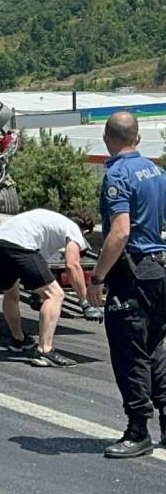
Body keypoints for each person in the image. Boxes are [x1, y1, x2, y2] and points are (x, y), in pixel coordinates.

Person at [87, 111, 166, 459]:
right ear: (137, 138)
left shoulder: (118, 174)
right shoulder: (156, 171)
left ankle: (138, 430)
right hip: (159, 271)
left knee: (129, 353)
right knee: (156, 350)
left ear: (108, 139)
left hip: (131, 276)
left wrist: (98, 277)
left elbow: (120, 231)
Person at [0, 209, 90, 368]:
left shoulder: (49, 221)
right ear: (85, 231)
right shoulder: (73, 228)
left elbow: (36, 268)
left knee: (11, 294)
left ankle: (19, 340)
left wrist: (36, 292)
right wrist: (85, 302)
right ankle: (45, 351)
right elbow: (72, 265)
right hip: (17, 246)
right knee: (55, 295)